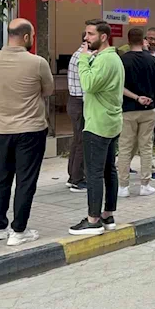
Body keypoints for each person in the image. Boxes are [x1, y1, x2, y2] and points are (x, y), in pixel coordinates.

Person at [0, 19, 53, 246]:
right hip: (31, 129)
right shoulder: (37, 63)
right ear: (26, 37)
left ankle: (0, 227)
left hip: (2, 129)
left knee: (1, 177)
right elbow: (48, 91)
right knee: (26, 180)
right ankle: (19, 230)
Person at [70, 19, 124, 236]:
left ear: (103, 37)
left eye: (90, 34)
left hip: (98, 124)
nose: (86, 38)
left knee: (94, 173)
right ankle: (107, 215)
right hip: (109, 121)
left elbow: (88, 85)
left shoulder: (105, 59)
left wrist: (83, 59)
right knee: (109, 170)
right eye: (85, 33)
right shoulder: (112, 58)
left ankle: (93, 220)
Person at [117, 28, 155, 198]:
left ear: (128, 41)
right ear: (143, 41)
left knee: (125, 148)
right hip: (148, 110)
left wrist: (135, 97)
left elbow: (117, 86)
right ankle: (145, 185)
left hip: (127, 110)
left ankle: (123, 187)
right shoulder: (152, 60)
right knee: (146, 147)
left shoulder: (121, 60)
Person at [65, 35, 87, 193]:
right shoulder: (83, 56)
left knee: (77, 139)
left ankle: (72, 175)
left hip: (75, 101)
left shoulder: (77, 53)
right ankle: (77, 179)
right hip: (80, 102)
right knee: (82, 141)